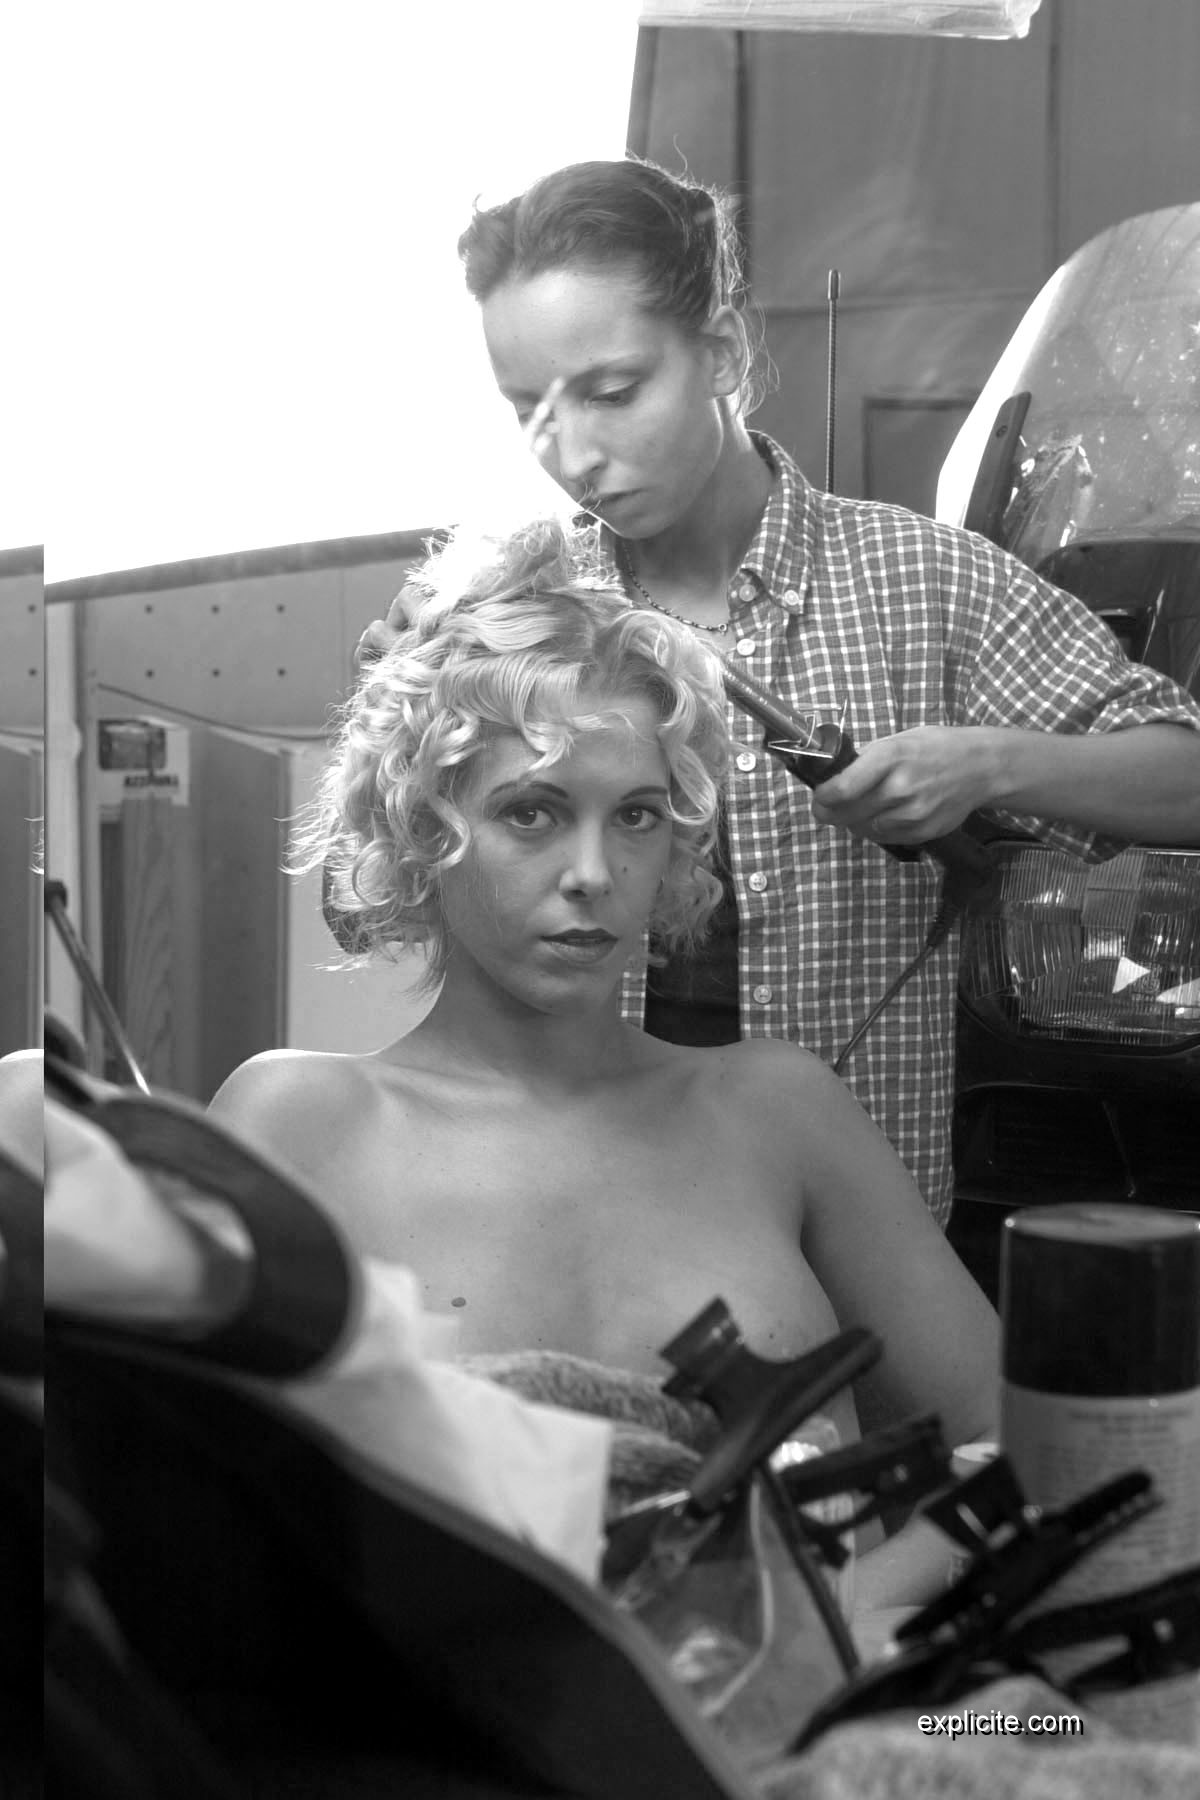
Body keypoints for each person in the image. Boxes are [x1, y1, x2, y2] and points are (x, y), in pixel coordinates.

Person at [359, 156, 1200, 1226]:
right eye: (532, 410)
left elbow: (1185, 777)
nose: (575, 455)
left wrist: (983, 764)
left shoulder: (925, 584)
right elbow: (365, 912)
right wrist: (390, 740)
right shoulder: (515, 609)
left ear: (719, 349)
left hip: (855, 1233)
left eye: (613, 394)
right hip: (566, 1219)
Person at [212, 525, 999, 1613]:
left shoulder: (778, 1112)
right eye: (531, 813)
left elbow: (1030, 1445)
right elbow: (191, 1515)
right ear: (420, 825)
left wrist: (842, 1618)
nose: (594, 873)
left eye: (635, 816)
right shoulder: (300, 1120)